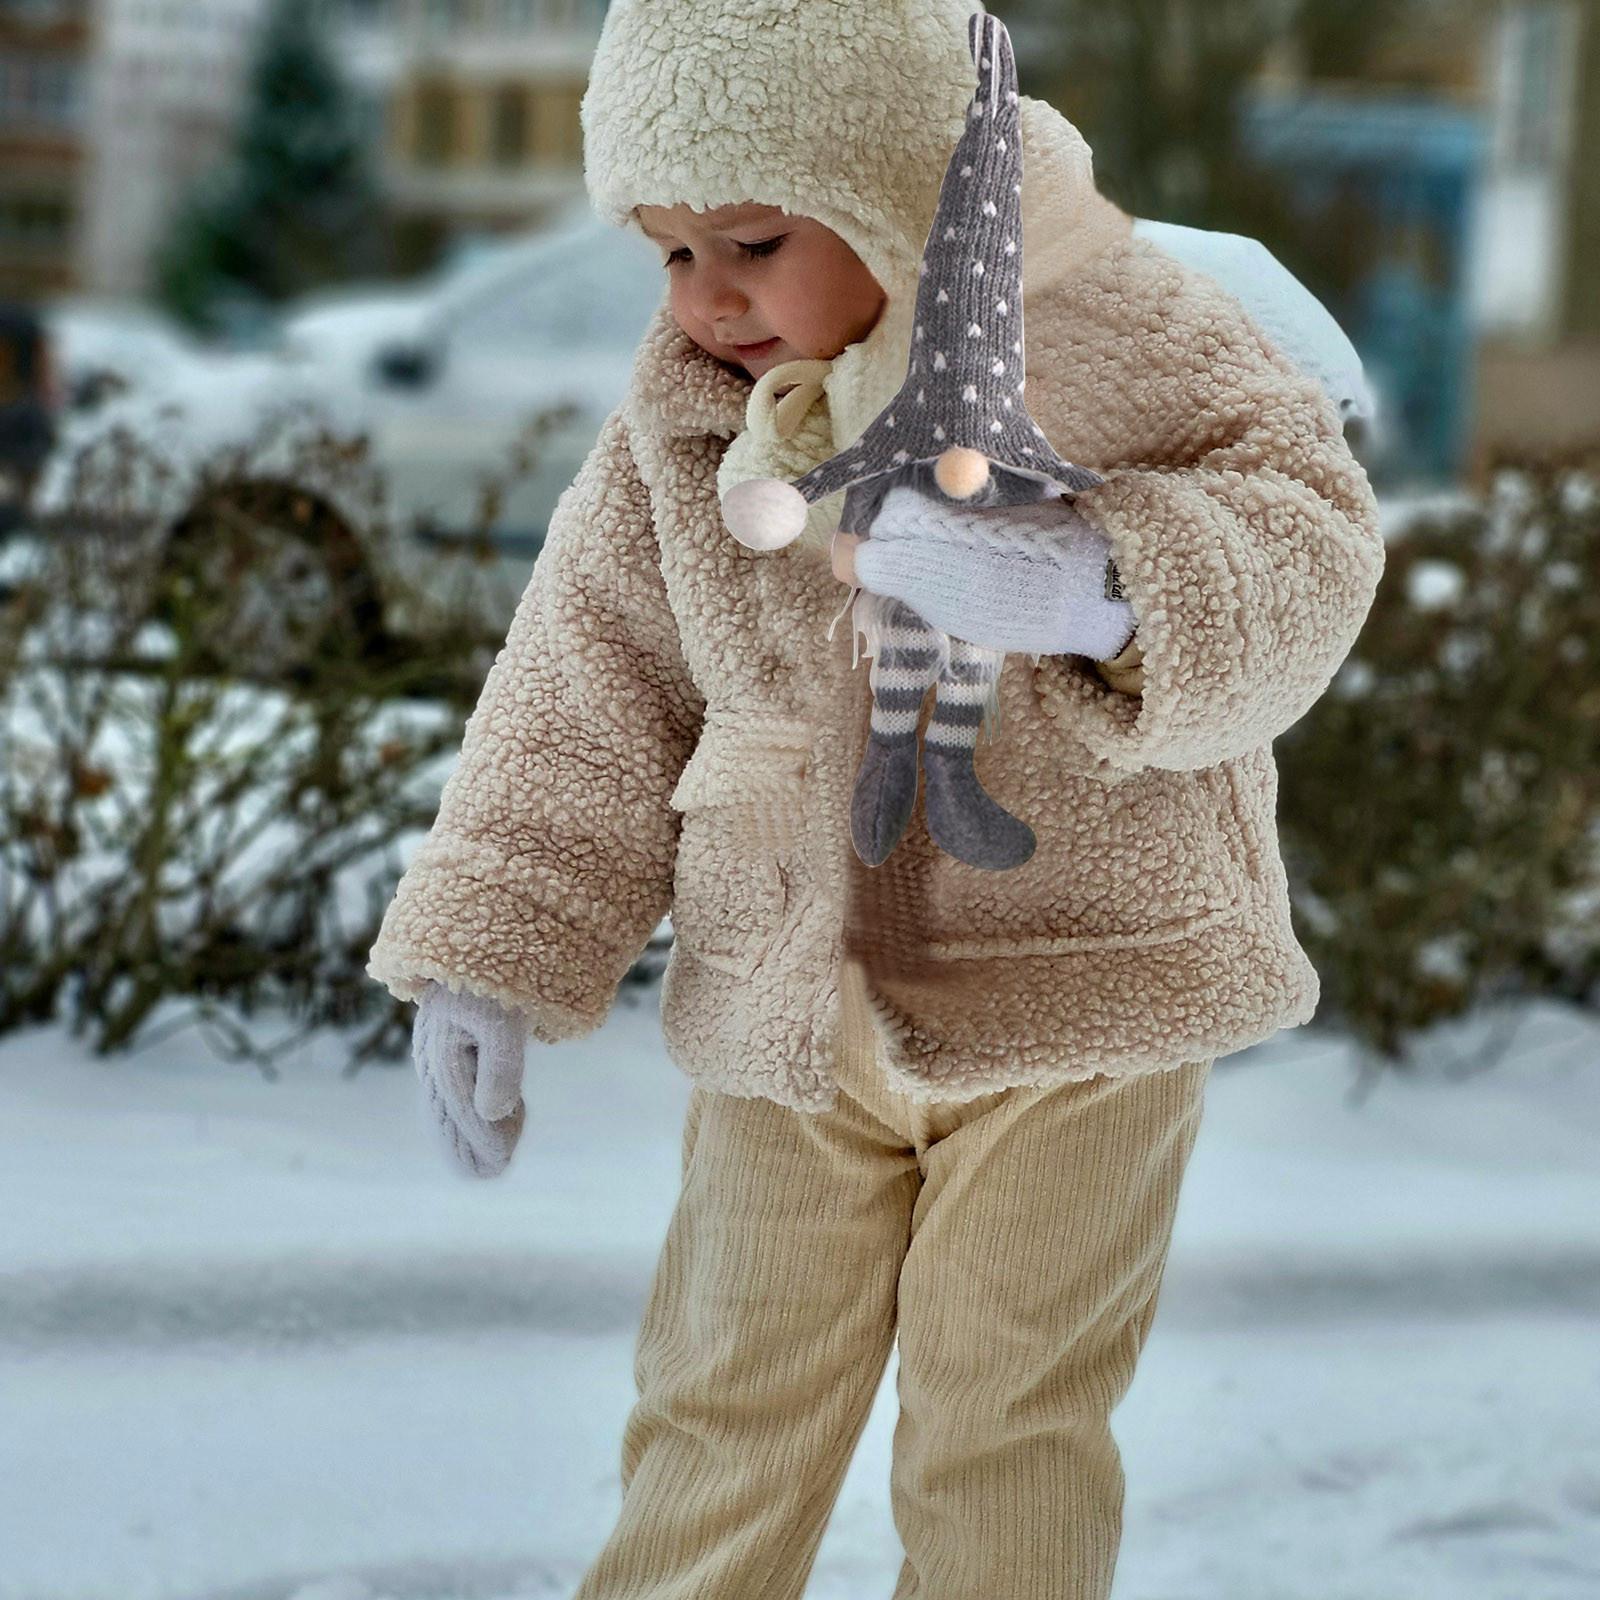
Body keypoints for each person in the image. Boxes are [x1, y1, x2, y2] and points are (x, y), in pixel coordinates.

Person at [366, 3, 1386, 1595]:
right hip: (790, 1002)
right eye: (670, 252)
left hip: (1082, 996)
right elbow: (592, 676)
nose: (707, 297)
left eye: (756, 241)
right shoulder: (688, 416)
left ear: (900, 183)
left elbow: (1308, 531)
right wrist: (491, 952)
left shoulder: (1108, 319)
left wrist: (1104, 589)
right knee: (721, 1410)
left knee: (1006, 1424)